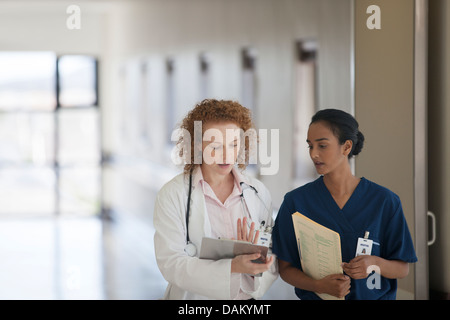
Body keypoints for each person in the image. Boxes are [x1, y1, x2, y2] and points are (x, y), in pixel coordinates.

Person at [272, 109, 417, 300]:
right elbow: (285, 268)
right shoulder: (296, 202)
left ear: (346, 147)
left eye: (322, 145)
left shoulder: (385, 201)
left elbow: (402, 268)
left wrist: (374, 263)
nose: (314, 154)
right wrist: (318, 285)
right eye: (310, 146)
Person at [153, 99, 278, 300]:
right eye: (215, 146)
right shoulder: (173, 195)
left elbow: (271, 252)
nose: (227, 155)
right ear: (197, 145)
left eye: (234, 144)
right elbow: (171, 263)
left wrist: (255, 261)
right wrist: (233, 266)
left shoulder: (258, 193)